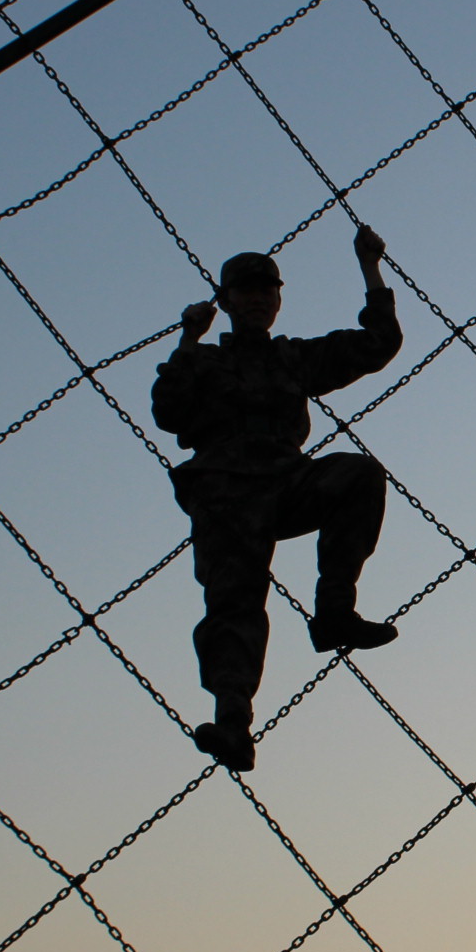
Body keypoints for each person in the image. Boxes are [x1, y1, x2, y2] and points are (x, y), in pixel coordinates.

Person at [152, 225, 405, 771]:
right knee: (235, 603)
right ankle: (233, 724)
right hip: (226, 494)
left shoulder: (291, 358)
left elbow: (378, 344)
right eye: (247, 290)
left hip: (287, 482)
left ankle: (334, 611)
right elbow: (168, 412)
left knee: (358, 474)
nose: (260, 299)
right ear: (226, 301)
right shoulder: (204, 363)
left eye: (268, 290)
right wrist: (188, 339)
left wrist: (369, 267)